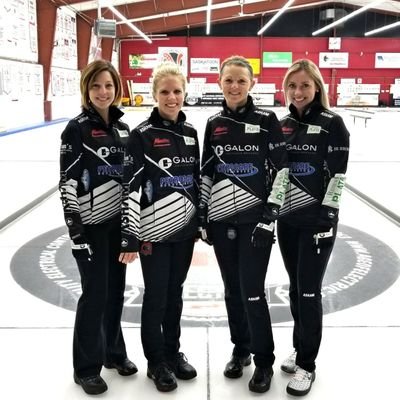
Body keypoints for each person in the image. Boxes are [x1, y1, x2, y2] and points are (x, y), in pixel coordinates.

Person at [199, 55, 289, 393]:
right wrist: (204, 214)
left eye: (241, 80)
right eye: (228, 80)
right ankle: (241, 350)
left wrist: (270, 217)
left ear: (251, 83)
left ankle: (264, 360)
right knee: (232, 291)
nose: (234, 86)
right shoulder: (214, 122)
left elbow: (282, 169)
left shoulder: (267, 120)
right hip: (222, 224)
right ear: (219, 83)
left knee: (252, 291)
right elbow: (208, 170)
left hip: (256, 223)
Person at [59, 59, 138, 396]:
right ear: (86, 90)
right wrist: (76, 232)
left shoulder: (123, 129)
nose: (103, 92)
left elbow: (131, 179)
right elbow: (67, 183)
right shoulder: (76, 129)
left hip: (116, 226)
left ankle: (113, 353)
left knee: (115, 293)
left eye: (108, 85)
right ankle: (85, 368)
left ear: (116, 89)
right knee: (94, 295)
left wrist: (130, 227)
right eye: (96, 86)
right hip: (90, 229)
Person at [120, 62, 199, 392]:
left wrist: (201, 222)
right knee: (156, 296)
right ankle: (156, 362)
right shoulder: (141, 136)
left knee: (175, 294)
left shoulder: (192, 134)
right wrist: (130, 235)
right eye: (164, 91)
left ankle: (172, 351)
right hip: (153, 233)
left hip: (183, 233)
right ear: (153, 95)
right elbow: (131, 187)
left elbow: (195, 182)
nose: (171, 97)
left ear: (184, 93)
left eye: (177, 91)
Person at [278, 59, 350, 396]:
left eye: (305, 85)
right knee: (295, 289)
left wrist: (328, 217)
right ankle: (300, 345)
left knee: (309, 292)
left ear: (317, 87)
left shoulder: (333, 124)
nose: (298, 91)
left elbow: (338, 176)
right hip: (288, 222)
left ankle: (308, 365)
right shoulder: (283, 125)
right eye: (292, 85)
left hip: (317, 224)